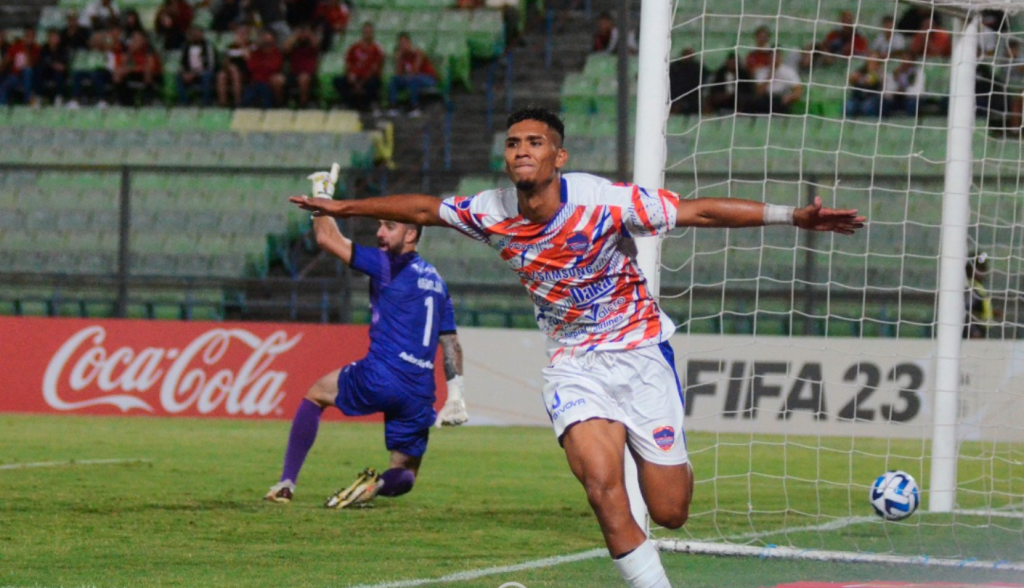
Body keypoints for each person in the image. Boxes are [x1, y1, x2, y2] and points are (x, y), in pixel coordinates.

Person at [289, 107, 865, 588]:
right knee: (601, 489)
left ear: (557, 157)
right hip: (574, 365)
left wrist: (791, 215)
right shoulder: (492, 211)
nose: (521, 150)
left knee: (671, 511)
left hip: (641, 355)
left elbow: (698, 211)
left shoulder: (604, 201)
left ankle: (653, 470)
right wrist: (345, 210)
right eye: (513, 142)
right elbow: (422, 210)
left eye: (535, 142)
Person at [266, 165, 469, 508]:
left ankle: (286, 482)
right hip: (419, 392)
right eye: (379, 224)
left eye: (389, 225)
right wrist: (456, 396)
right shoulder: (437, 281)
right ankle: (373, 488)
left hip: (382, 375)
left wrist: (323, 196)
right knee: (405, 474)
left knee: (315, 395)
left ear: (411, 236)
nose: (379, 232)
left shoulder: (388, 264)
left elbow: (327, 239)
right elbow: (450, 343)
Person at [332, 21, 384, 112]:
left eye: (369, 32)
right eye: (365, 32)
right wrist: (350, 75)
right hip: (354, 77)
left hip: (367, 78)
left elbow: (375, 68)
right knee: (338, 80)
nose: (367, 34)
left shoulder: (377, 49)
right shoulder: (354, 47)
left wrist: (361, 83)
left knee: (374, 83)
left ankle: (368, 104)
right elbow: (348, 64)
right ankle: (348, 103)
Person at [386, 32, 436, 117]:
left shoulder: (418, 53)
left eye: (404, 43)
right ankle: (393, 107)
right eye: (401, 44)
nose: (403, 46)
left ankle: (414, 107)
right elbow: (399, 74)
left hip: (428, 78)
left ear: (409, 43)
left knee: (414, 79)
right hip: (411, 78)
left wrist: (407, 76)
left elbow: (415, 71)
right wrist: (398, 60)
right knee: (394, 80)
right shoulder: (402, 56)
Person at [112, 29, 162, 106]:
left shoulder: (149, 50)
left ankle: (149, 99)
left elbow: (150, 67)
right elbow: (122, 64)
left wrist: (132, 68)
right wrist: (130, 53)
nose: (134, 42)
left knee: (147, 72)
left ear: (143, 40)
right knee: (118, 72)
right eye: (133, 39)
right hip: (134, 73)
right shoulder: (131, 51)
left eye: (137, 39)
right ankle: (121, 100)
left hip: (151, 75)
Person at [750, 49, 803, 114]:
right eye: (771, 57)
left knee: (779, 104)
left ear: (781, 57)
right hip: (765, 98)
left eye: (776, 57)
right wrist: (769, 76)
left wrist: (790, 97)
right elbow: (759, 92)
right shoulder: (762, 71)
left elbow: (798, 90)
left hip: (781, 98)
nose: (774, 59)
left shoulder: (789, 71)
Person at [242, 28, 285, 107]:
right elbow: (251, 67)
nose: (266, 42)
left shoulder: (277, 53)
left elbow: (274, 67)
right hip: (255, 83)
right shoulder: (256, 52)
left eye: (269, 39)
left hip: (268, 83)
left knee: (267, 101)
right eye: (264, 39)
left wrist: (262, 66)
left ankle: (279, 105)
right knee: (246, 101)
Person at [177, 26, 217, 106]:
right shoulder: (185, 46)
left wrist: (196, 73)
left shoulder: (207, 46)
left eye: (197, 33)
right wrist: (185, 73)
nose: (194, 35)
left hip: (204, 72)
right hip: (190, 72)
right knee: (178, 76)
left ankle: (205, 103)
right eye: (192, 33)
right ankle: (184, 102)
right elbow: (182, 63)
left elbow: (210, 65)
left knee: (207, 76)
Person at [0, 28, 40, 106]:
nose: (29, 38)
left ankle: (27, 101)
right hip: (15, 76)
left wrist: (26, 49)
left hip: (29, 77)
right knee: (3, 86)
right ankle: (2, 105)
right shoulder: (16, 46)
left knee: (27, 71)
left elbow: (31, 65)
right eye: (28, 36)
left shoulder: (36, 49)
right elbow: (7, 60)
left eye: (32, 36)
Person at [283, 24, 319, 108]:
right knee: (277, 80)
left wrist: (309, 34)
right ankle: (280, 104)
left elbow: (316, 44)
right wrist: (296, 36)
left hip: (309, 75)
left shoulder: (312, 45)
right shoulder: (294, 45)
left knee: (303, 78)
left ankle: (303, 105)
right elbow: (285, 49)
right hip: (293, 74)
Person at [217, 24, 252, 107]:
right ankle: (223, 103)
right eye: (239, 34)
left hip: (245, 70)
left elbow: (249, 60)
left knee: (234, 71)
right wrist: (226, 63)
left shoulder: (251, 45)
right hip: (230, 70)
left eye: (243, 34)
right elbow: (225, 62)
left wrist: (242, 46)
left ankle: (237, 101)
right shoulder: (231, 46)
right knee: (221, 75)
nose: (241, 36)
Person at [965, 252, 997, 339]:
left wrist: (991, 312)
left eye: (984, 268)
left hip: (981, 331)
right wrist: (974, 331)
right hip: (973, 334)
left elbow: (976, 306)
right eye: (980, 269)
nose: (983, 272)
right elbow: (966, 311)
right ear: (969, 269)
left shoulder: (978, 286)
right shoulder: (969, 286)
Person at [35, 29, 70, 105]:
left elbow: (63, 65)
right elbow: (42, 61)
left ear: (59, 39)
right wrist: (53, 65)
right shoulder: (44, 48)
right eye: (52, 37)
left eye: (55, 37)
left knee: (59, 73)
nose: (53, 39)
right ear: (48, 38)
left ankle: (58, 97)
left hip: (58, 73)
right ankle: (39, 97)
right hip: (47, 71)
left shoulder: (63, 49)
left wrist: (54, 64)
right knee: (38, 71)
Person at [668, 47, 705, 115]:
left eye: (690, 54)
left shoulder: (698, 68)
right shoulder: (674, 68)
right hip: (675, 97)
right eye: (686, 54)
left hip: (692, 99)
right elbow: (672, 86)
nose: (687, 57)